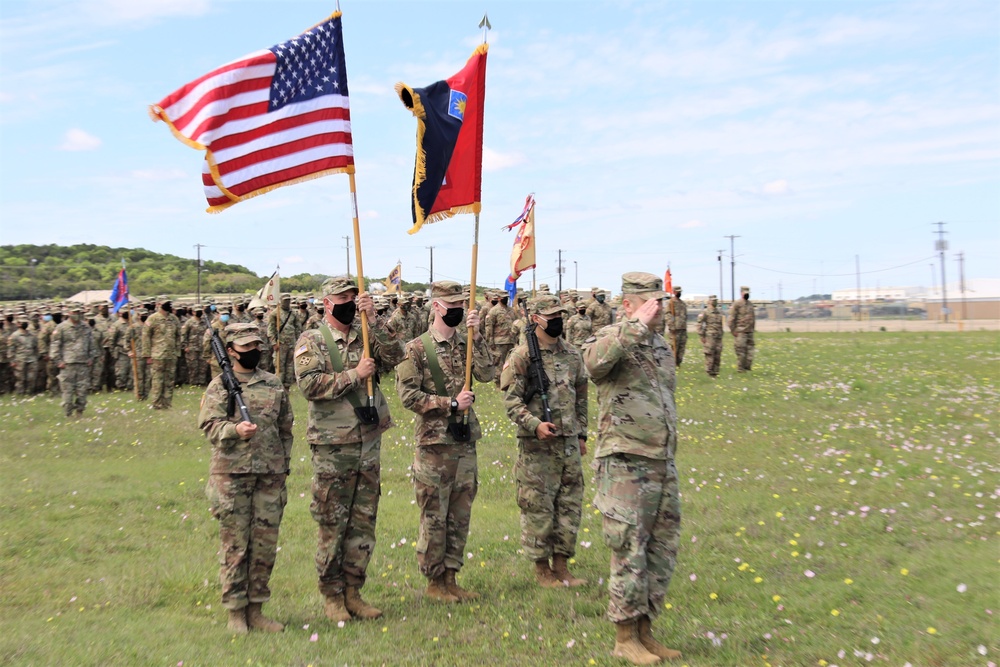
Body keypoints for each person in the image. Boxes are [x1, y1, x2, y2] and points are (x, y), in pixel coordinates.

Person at [582, 272, 682, 665]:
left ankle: (645, 630)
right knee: (629, 550)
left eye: (660, 300)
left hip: (661, 462)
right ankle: (625, 637)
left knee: (661, 551)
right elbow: (592, 365)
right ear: (628, 305)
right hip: (624, 463)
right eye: (649, 301)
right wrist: (634, 327)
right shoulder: (610, 337)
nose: (658, 307)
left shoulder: (660, 346)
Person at [294, 277, 405, 623]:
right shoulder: (312, 340)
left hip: (367, 440)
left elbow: (397, 356)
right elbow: (309, 385)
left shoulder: (364, 335)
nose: (348, 303)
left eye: (352, 298)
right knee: (333, 520)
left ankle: (354, 591)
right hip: (333, 443)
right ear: (327, 303)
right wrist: (355, 375)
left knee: (363, 521)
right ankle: (332, 595)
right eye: (342, 298)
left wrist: (373, 321)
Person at [395, 280, 494, 603]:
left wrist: (477, 338)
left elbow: (487, 373)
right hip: (434, 445)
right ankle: (434, 581)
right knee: (435, 515)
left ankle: (452, 576)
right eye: (452, 308)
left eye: (461, 307)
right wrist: (449, 404)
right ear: (436, 307)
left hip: (464, 442)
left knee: (460, 513)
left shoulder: (466, 343)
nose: (457, 312)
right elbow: (408, 396)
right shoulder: (417, 348)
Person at [198, 323, 293, 635]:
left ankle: (257, 609)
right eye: (245, 348)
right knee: (236, 547)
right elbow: (210, 426)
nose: (252, 352)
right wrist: (234, 430)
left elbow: (285, 429)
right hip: (232, 476)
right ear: (230, 351)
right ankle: (236, 612)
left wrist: (282, 467)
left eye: (256, 347)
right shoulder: (219, 387)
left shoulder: (273, 383)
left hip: (269, 475)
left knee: (265, 547)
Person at [500, 294, 588, 589]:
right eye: (552, 316)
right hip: (537, 445)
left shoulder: (573, 355)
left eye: (561, 315)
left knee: (569, 504)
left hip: (569, 443)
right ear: (536, 319)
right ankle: (542, 569)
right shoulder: (521, 357)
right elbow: (511, 401)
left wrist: (582, 433)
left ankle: (562, 566)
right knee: (538, 505)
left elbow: (581, 397)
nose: (558, 321)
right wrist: (534, 424)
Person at [50, 303, 96, 417]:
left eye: (79, 312)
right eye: (75, 312)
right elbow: (55, 345)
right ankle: (68, 414)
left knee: (82, 392)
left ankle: (79, 412)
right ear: (69, 313)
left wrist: (91, 358)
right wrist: (58, 361)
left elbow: (92, 344)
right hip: (67, 365)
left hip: (83, 364)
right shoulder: (61, 328)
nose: (77, 315)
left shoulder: (86, 327)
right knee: (68, 393)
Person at [142, 296, 182, 409]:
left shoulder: (174, 319)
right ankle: (157, 403)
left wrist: (178, 352)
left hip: (171, 354)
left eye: (169, 303)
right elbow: (145, 337)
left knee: (169, 380)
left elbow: (178, 336)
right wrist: (147, 354)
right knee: (157, 380)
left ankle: (167, 403)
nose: (168, 305)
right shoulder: (152, 319)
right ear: (159, 304)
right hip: (157, 355)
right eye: (166, 303)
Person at [268, 293, 300, 389]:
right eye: (285, 300)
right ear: (280, 301)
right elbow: (271, 330)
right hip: (280, 344)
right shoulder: (275, 313)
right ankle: (278, 386)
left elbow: (298, 328)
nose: (287, 302)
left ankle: (287, 387)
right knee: (280, 367)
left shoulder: (293, 313)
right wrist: (273, 343)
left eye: (288, 300)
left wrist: (298, 342)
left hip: (292, 343)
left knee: (290, 366)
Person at [485, 292, 517, 383]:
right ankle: (498, 382)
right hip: (499, 342)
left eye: (507, 297)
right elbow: (489, 327)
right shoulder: (494, 311)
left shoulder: (510, 310)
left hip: (511, 341)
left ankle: (508, 381)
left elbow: (515, 323)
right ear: (498, 298)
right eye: (504, 298)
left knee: (510, 363)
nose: (506, 299)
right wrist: (490, 342)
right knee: (499, 364)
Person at [727, 286, 756, 372]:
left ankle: (747, 368)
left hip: (749, 332)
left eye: (748, 293)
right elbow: (731, 318)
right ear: (741, 293)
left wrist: (752, 329)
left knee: (750, 352)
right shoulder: (737, 304)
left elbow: (753, 317)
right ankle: (741, 369)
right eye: (745, 293)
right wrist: (733, 330)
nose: (746, 294)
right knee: (741, 352)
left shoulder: (750, 304)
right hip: (741, 332)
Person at [9, 316, 38, 395]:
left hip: (31, 359)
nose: (24, 324)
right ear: (18, 324)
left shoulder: (32, 335)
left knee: (32, 378)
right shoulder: (14, 335)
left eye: (26, 322)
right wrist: (12, 360)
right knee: (20, 378)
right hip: (20, 360)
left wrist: (36, 357)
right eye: (22, 322)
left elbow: (36, 347)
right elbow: (11, 349)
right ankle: (20, 394)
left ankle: (30, 393)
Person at [696, 296, 724, 377]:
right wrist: (702, 335)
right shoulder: (706, 312)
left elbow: (720, 324)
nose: (715, 302)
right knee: (710, 354)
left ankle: (716, 372)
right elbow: (699, 324)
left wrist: (721, 334)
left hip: (718, 337)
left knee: (717, 354)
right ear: (709, 301)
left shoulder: (718, 312)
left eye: (716, 300)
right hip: (709, 337)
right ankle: (709, 372)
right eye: (713, 300)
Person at [668, 285, 688, 365]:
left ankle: (678, 364)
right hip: (675, 330)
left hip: (683, 329)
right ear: (673, 292)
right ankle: (672, 364)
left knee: (681, 348)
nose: (679, 293)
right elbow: (667, 315)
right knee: (674, 348)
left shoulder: (682, 304)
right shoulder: (671, 303)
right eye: (677, 291)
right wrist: (671, 325)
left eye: (680, 292)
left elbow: (685, 316)